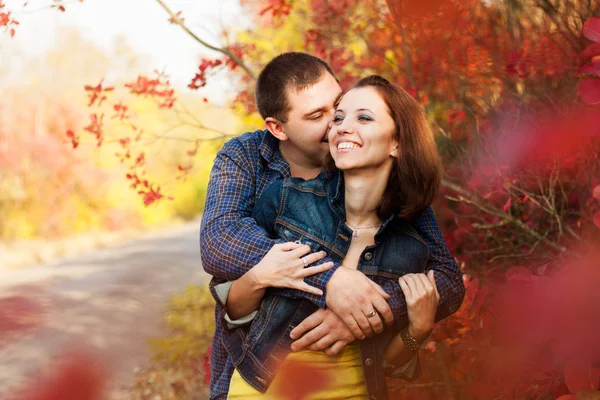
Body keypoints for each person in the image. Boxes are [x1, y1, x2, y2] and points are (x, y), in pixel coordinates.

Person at [200, 53, 465, 400]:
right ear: (278, 128)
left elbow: (445, 277)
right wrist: (331, 282)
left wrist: (361, 313)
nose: (335, 125)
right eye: (317, 116)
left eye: (336, 107)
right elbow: (220, 242)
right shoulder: (249, 161)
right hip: (258, 375)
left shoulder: (373, 175)